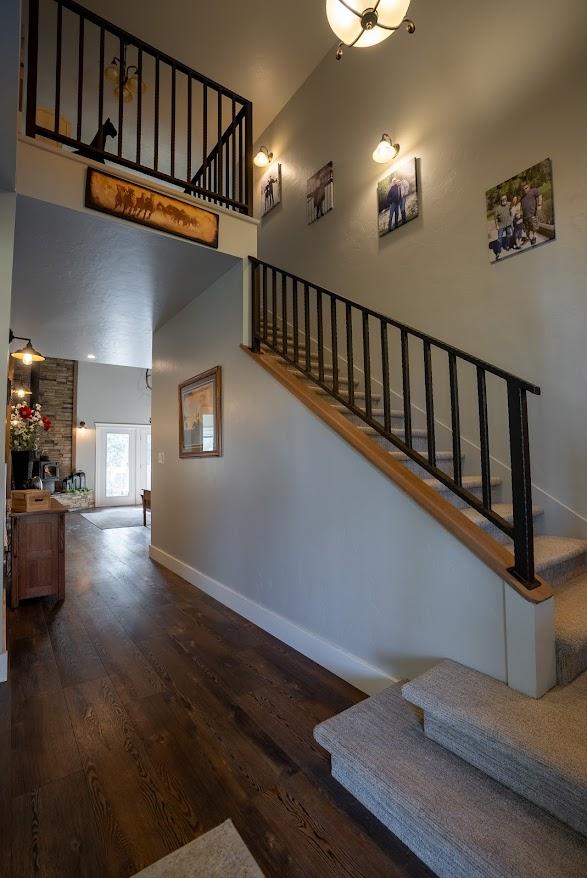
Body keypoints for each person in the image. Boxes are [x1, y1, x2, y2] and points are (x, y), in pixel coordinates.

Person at [520, 180, 542, 246]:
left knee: (533, 227)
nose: (525, 190)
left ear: (529, 187)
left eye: (526, 188)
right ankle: (527, 238)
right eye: (523, 189)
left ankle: (534, 237)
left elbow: (540, 195)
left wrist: (539, 204)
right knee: (527, 229)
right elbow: (521, 207)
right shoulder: (522, 197)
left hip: (532, 214)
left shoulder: (533, 191)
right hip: (525, 216)